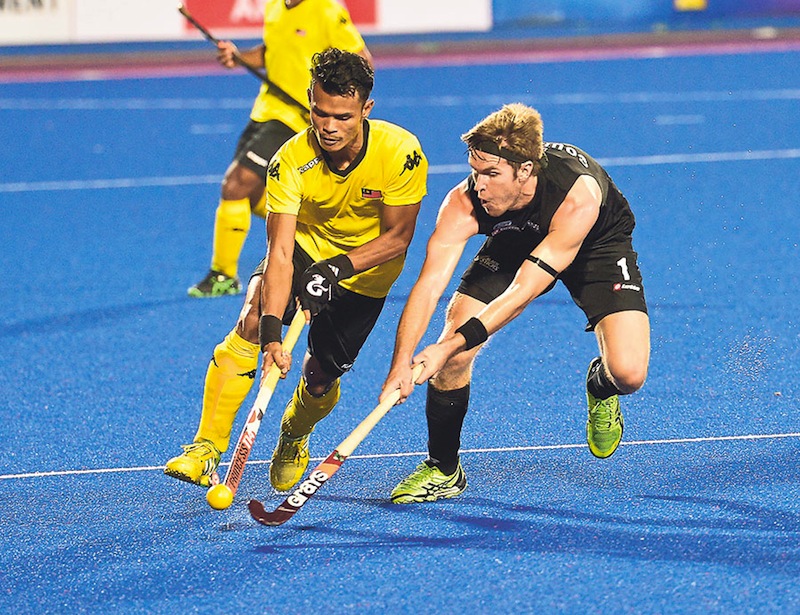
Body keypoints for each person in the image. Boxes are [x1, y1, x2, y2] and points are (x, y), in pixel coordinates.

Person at [166, 48, 428, 491]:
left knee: (321, 375)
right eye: (320, 112)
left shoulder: (401, 151)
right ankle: (206, 447)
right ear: (309, 99)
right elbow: (281, 252)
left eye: (343, 116)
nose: (328, 126)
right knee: (249, 320)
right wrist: (271, 335)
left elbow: (398, 238)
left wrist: (337, 269)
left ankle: (294, 435)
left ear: (366, 109)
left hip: (366, 271)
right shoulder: (288, 160)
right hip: (306, 249)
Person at [379, 103, 650, 504]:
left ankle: (599, 386)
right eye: (475, 171)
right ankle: (443, 469)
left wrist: (445, 346)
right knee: (454, 357)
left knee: (628, 374)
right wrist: (401, 361)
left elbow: (521, 292)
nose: (480, 185)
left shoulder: (577, 197)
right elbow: (428, 285)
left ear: (525, 170)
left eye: (491, 173)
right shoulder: (465, 202)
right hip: (516, 236)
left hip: (595, 243)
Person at [188, 0, 372, 298]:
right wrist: (239, 57)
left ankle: (223, 275)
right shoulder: (275, 5)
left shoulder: (325, 9)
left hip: (295, 118)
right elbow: (273, 51)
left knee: (236, 184)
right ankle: (315, 232)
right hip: (266, 109)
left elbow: (362, 63)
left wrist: (334, 107)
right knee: (250, 191)